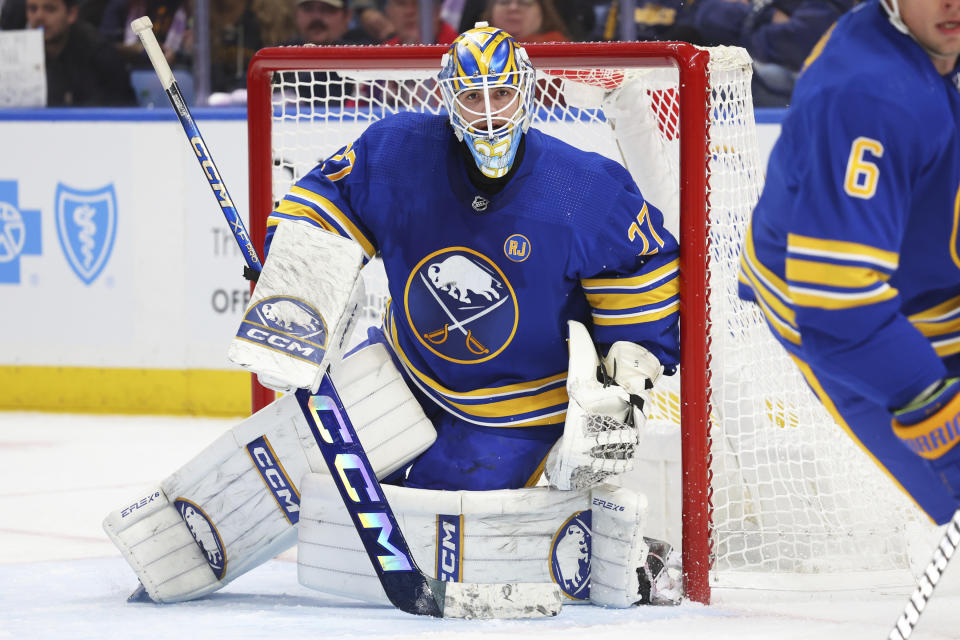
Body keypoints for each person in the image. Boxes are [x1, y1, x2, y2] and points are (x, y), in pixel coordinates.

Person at [103, 24, 683, 611]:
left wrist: (632, 363)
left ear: (527, 93)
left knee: (434, 519)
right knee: (287, 457)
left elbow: (644, 260)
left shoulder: (581, 187)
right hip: (402, 373)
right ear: (448, 100)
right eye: (472, 97)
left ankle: (629, 554)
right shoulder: (400, 151)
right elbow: (327, 203)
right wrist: (296, 280)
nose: (488, 115)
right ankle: (172, 551)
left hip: (511, 410)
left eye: (502, 94)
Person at [738, 0, 960, 525]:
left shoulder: (933, 49)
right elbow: (841, 308)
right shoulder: (871, 94)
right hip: (854, 312)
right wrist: (932, 408)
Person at [25, 0, 136, 106]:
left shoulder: (98, 52)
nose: (39, 17)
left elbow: (121, 110)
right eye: (32, 9)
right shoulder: (21, 52)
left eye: (50, 9)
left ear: (71, 14)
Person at [484, 0, 569, 40]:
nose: (513, 8)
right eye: (504, 2)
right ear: (491, 12)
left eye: (524, 3)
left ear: (542, 12)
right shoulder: (475, 47)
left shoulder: (560, 50)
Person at [382, 0, 458, 43]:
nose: (409, 11)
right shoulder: (383, 54)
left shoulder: (461, 50)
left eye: (418, 4)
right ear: (388, 11)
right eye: (401, 4)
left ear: (437, 11)